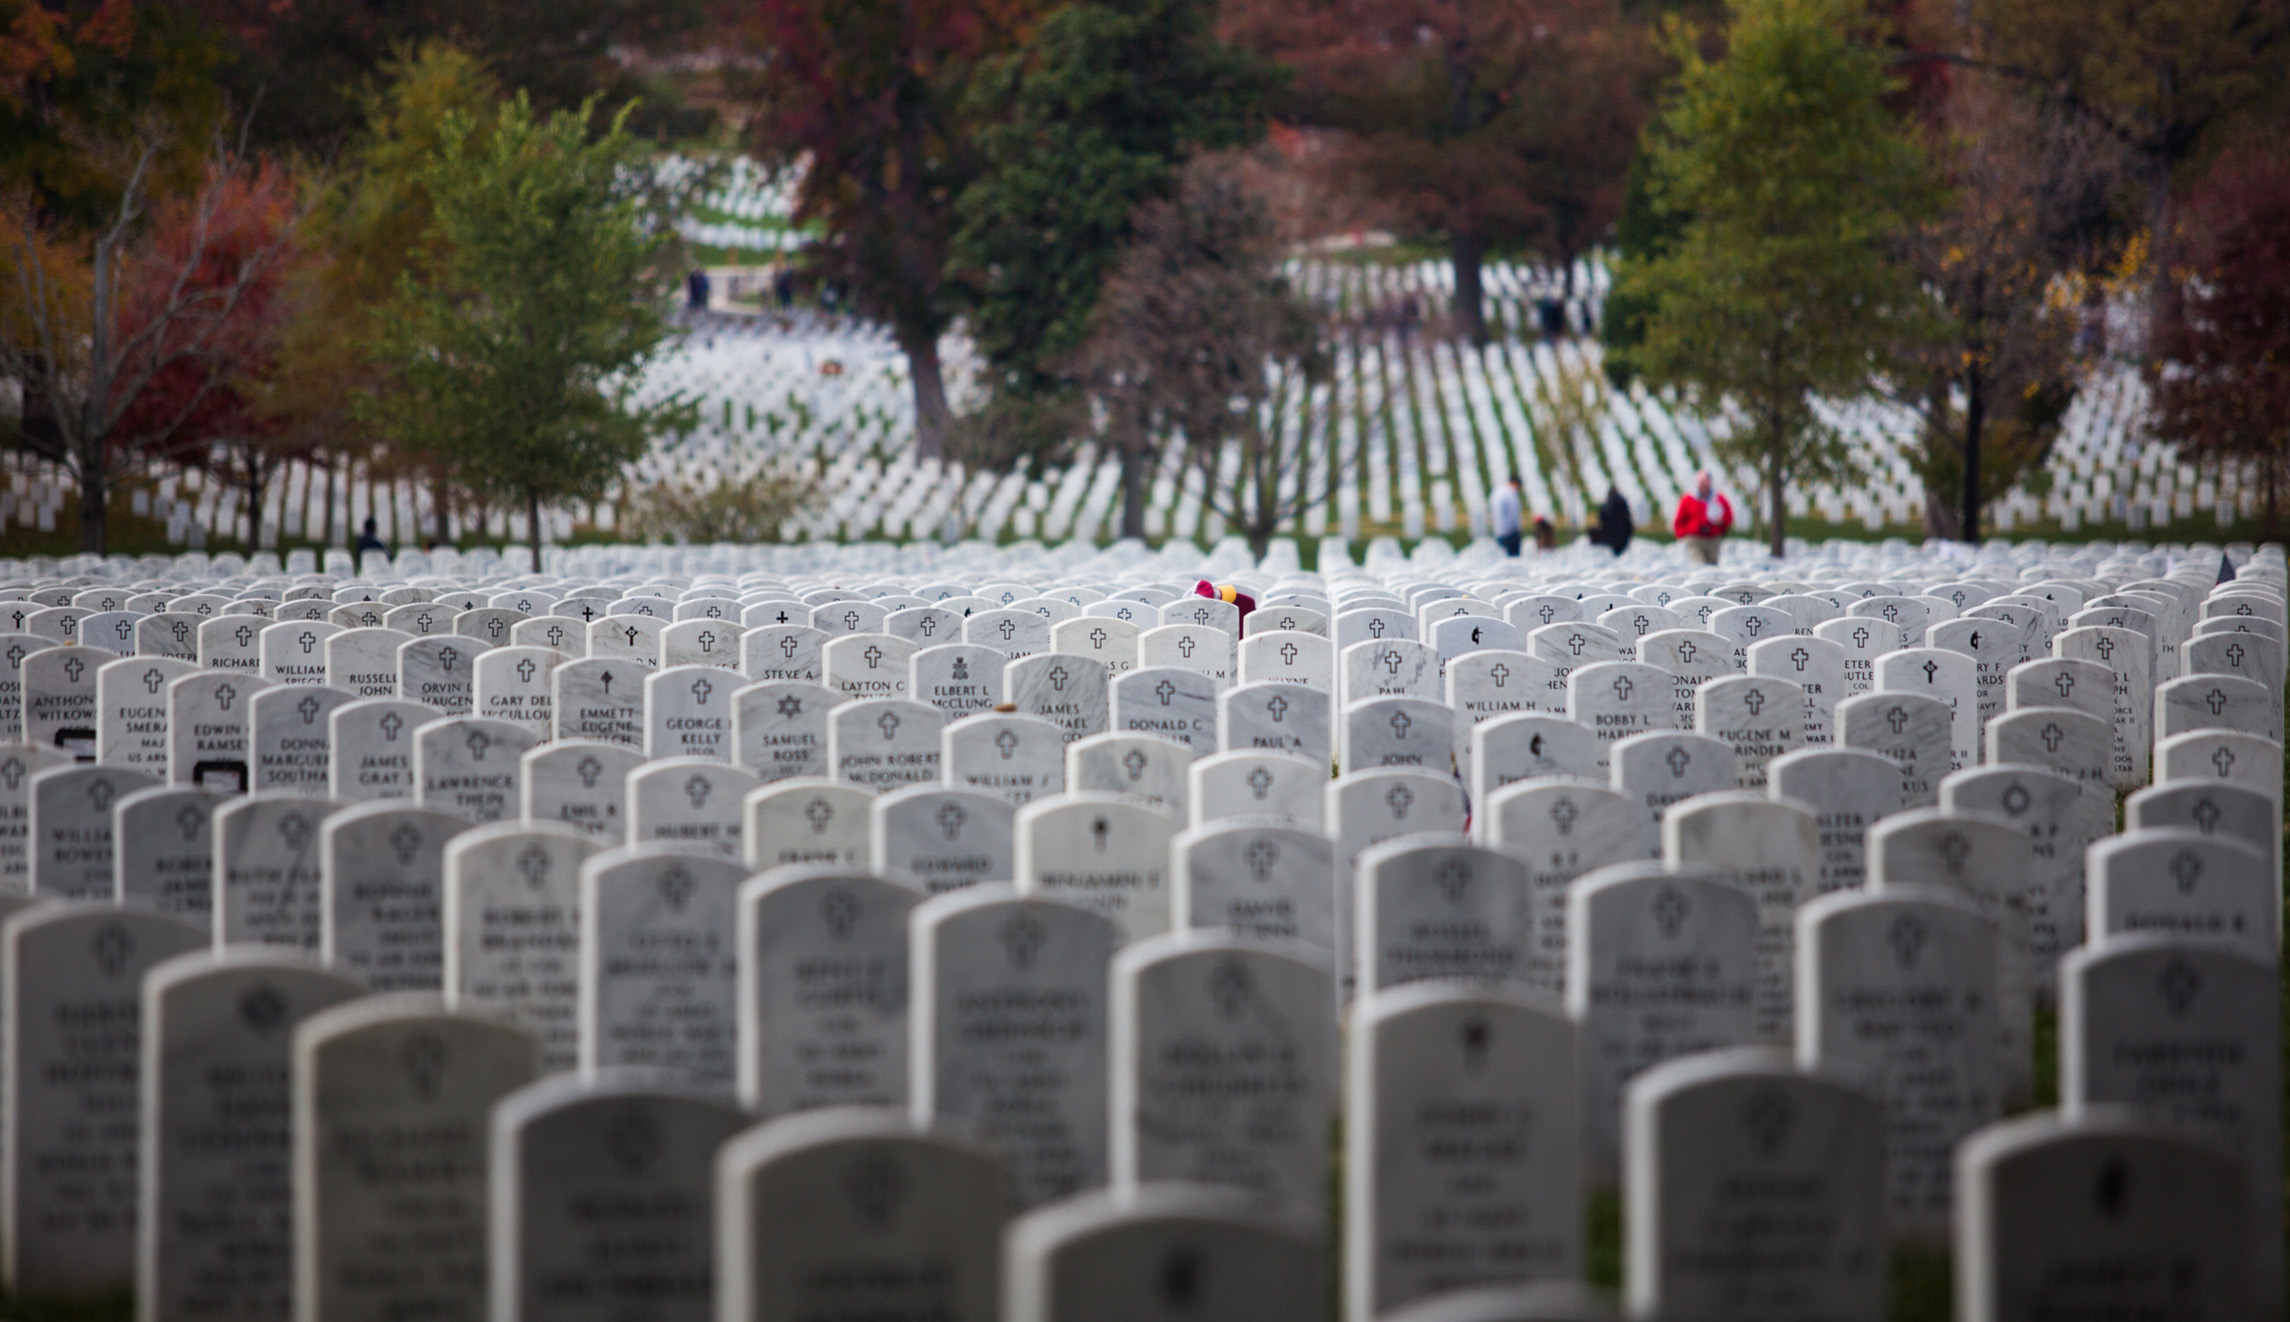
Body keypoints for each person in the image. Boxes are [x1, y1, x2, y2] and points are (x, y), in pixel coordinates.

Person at [1673, 470, 1733, 565]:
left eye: (1705, 483)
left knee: (1712, 564)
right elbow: (1680, 520)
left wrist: (1722, 522)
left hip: (1713, 538)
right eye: (1700, 483)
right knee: (1698, 563)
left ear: (1710, 483)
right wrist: (1683, 535)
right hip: (1695, 538)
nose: (1703, 485)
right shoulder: (1688, 499)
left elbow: (1729, 517)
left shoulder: (1719, 499)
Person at [1590, 485, 1634, 556]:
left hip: (1611, 538)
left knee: (1592, 532)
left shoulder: (1607, 506)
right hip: (1624, 539)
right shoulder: (1624, 505)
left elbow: (1602, 521)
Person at [1492, 473, 1525, 557]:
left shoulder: (1497, 492)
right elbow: (1514, 514)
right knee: (1513, 561)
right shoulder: (1511, 494)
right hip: (1510, 533)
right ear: (1516, 483)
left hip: (1499, 531)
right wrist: (1518, 528)